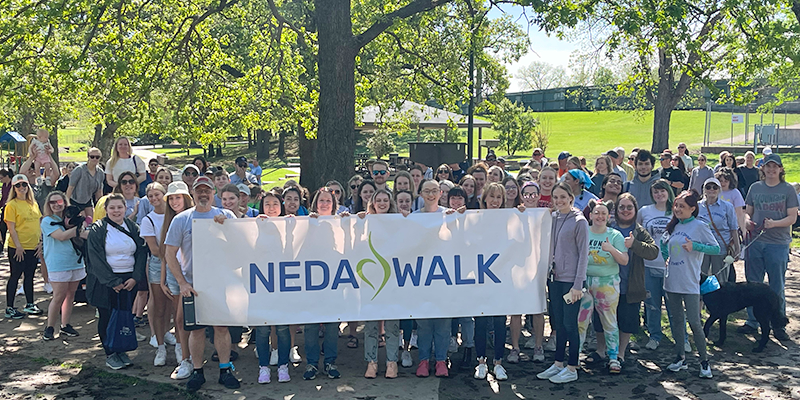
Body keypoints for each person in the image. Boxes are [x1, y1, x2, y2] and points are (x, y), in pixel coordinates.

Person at [164, 176, 239, 391]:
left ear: (214, 192)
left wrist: (228, 229)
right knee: (196, 330)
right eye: (199, 191)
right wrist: (182, 283)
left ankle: (225, 369)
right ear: (193, 194)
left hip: (220, 283)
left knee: (221, 327)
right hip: (194, 285)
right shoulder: (182, 219)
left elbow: (241, 244)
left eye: (207, 190)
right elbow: (169, 253)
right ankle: (198, 371)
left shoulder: (226, 215)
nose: (203, 194)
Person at [85, 193, 148, 370]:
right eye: (112, 207)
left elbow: (141, 253)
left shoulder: (132, 227)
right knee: (107, 316)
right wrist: (112, 281)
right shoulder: (98, 229)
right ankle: (109, 352)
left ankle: (121, 349)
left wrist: (135, 277)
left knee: (123, 316)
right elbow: (95, 258)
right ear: (106, 210)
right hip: (105, 282)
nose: (116, 211)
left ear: (125, 208)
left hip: (129, 280)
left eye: (119, 207)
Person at [739, 153, 797, 340]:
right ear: (762, 168)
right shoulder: (755, 188)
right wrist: (747, 222)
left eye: (775, 167)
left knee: (776, 285)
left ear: (781, 169)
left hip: (777, 244)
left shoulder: (787, 190)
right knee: (753, 283)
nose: (771, 170)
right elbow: (747, 212)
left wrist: (775, 223)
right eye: (768, 166)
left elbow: (792, 218)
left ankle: (778, 324)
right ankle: (752, 321)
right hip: (755, 242)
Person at [661, 190, 717, 378]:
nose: (677, 209)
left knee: (694, 322)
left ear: (693, 209)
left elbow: (716, 248)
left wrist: (696, 246)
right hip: (671, 282)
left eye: (682, 206)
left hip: (690, 283)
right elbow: (665, 246)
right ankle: (680, 358)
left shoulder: (699, 226)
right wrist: (665, 255)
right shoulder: (673, 226)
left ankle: (704, 361)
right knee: (677, 322)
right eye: (676, 206)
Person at [536, 182, 588, 384]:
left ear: (570, 197)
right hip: (554, 279)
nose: (559, 201)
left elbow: (583, 255)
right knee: (557, 322)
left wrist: (578, 284)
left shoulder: (579, 221)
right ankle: (558, 363)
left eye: (562, 197)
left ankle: (572, 366)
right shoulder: (554, 217)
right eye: (555, 197)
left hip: (570, 282)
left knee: (570, 323)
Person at [350, 189, 403, 379]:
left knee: (391, 325)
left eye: (385, 200)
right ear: (372, 203)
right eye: (378, 200)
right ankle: (371, 362)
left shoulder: (398, 222)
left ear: (390, 203)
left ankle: (391, 363)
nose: (382, 203)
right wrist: (357, 223)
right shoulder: (364, 221)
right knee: (371, 324)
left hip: (392, 279)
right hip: (370, 280)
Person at [413, 179, 459, 378]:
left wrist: (460, 219)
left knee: (442, 323)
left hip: (444, 277)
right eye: (426, 191)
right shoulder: (413, 218)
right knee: (423, 324)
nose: (430, 194)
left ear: (441, 193)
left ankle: (441, 360)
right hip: (421, 277)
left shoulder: (449, 215)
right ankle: (423, 360)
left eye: (434, 191)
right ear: (420, 194)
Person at [577, 200, 627, 374]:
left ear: (608, 216)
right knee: (580, 321)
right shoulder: (584, 233)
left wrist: (611, 249)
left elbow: (624, 260)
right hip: (584, 283)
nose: (600, 216)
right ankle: (575, 356)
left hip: (607, 283)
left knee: (609, 321)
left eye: (603, 213)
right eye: (597, 213)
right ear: (590, 216)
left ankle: (613, 357)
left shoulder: (615, 235)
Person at [637, 179, 688, 351]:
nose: (659, 195)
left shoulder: (676, 212)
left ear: (668, 192)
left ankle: (682, 338)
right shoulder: (645, 211)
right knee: (652, 304)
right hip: (650, 264)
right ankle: (655, 335)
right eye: (655, 192)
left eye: (662, 191)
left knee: (674, 305)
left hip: (672, 266)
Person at [608, 194, 658, 366]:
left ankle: (621, 353)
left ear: (635, 210)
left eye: (629, 207)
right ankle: (602, 351)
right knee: (603, 320)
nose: (625, 210)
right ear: (616, 210)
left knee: (626, 320)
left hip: (630, 285)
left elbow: (653, 252)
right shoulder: (608, 227)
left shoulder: (639, 231)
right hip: (606, 284)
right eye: (622, 207)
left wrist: (635, 244)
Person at [470, 182, 510, 381]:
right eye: (492, 196)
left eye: (499, 197)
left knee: (500, 321)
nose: (495, 201)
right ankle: (481, 362)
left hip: (501, 277)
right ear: (484, 198)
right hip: (479, 276)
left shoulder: (509, 219)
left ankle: (499, 362)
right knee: (481, 321)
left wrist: (523, 214)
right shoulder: (474, 219)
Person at [302, 188, 343, 380]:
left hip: (334, 281)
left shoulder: (342, 221)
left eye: (328, 201)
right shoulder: (307, 222)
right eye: (321, 201)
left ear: (334, 204)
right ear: (315, 203)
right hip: (311, 283)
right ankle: (311, 364)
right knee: (310, 326)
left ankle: (330, 362)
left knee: (332, 325)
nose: (325, 204)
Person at [41, 191, 89, 340]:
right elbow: (61, 237)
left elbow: (85, 235)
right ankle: (49, 327)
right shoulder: (47, 221)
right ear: (48, 205)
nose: (56, 205)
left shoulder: (70, 218)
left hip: (75, 261)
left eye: (59, 202)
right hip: (58, 263)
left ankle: (65, 325)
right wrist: (79, 228)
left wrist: (83, 225)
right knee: (58, 296)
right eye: (52, 202)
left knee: (71, 295)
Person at [138, 182, 177, 367]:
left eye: (157, 194)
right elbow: (154, 249)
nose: (154, 199)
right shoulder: (148, 220)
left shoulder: (175, 215)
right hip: (158, 263)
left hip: (180, 263)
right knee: (159, 306)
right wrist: (171, 253)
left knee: (175, 308)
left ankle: (178, 344)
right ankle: (160, 346)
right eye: (150, 196)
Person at [160, 182, 195, 380]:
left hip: (192, 274)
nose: (174, 201)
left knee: (189, 319)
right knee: (180, 318)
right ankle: (185, 358)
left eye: (178, 197)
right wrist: (164, 277)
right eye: (171, 198)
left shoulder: (194, 217)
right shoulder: (170, 220)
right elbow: (167, 252)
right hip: (177, 274)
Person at [4, 174, 43, 319]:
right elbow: (11, 228)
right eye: (18, 185)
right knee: (15, 275)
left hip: (33, 247)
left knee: (30, 275)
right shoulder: (11, 205)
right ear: (14, 188)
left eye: (24, 185)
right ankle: (9, 307)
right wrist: (18, 246)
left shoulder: (33, 203)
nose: (22, 188)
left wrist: (40, 242)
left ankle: (30, 304)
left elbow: (38, 224)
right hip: (18, 247)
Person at [697, 178, 740, 283]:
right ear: (704, 190)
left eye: (715, 187)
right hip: (702, 247)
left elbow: (734, 229)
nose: (711, 190)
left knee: (720, 279)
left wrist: (737, 249)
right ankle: (701, 299)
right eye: (708, 187)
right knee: (701, 278)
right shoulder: (697, 206)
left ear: (719, 190)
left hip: (721, 247)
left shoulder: (727, 207)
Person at [67, 147, 105, 218]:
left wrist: (101, 206)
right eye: (92, 157)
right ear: (88, 157)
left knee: (92, 219)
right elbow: (70, 187)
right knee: (83, 219)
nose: (94, 159)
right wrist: (67, 204)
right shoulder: (79, 170)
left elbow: (99, 192)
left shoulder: (100, 173)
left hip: (87, 201)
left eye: (97, 157)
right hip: (75, 200)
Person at [716, 168, 746, 234]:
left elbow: (739, 213)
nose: (723, 183)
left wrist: (742, 229)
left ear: (730, 181)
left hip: (731, 226)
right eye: (721, 181)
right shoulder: (715, 192)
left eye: (726, 181)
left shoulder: (735, 193)